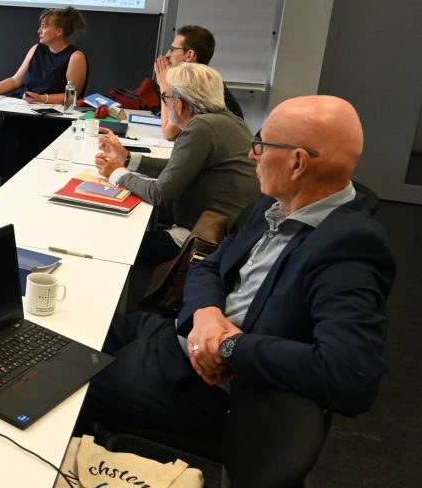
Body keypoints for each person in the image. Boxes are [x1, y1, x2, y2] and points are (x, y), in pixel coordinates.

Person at [79, 95, 396, 442]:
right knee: (80, 336)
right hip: (182, 336)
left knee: (68, 384)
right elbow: (210, 266)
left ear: (297, 163)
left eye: (261, 146)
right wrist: (207, 313)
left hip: (209, 386)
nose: (251, 156)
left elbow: (350, 376)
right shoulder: (275, 202)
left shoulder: (349, 248)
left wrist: (228, 347)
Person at [96, 63, 259, 267]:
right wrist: (128, 159)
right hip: (227, 232)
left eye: (166, 98)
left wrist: (117, 174)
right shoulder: (230, 121)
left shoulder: (201, 128)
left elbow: (160, 194)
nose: (165, 103)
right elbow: (178, 167)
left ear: (179, 104)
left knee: (112, 245)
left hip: (200, 237)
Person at [0, 6, 88, 178]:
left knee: (26, 139)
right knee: (10, 131)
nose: (39, 30)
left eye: (44, 26)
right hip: (25, 112)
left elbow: (71, 96)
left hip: (52, 120)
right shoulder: (36, 49)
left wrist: (43, 99)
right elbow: (15, 80)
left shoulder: (75, 57)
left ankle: (28, 181)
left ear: (59, 31)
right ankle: (7, 185)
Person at [155, 25, 244, 141]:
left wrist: (164, 86)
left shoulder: (196, 85)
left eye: (172, 49)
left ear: (189, 55)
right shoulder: (203, 79)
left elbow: (169, 133)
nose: (167, 55)